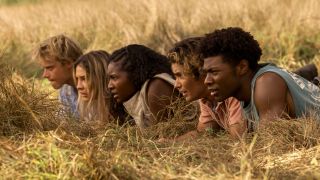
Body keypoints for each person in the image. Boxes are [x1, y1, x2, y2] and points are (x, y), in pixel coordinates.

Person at [200, 27, 320, 131]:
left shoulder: (267, 83)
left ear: (242, 67)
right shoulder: (245, 94)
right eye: (205, 74)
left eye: (214, 72)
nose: (207, 81)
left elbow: (273, 145)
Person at [168, 37, 245, 139]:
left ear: (201, 72)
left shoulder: (230, 91)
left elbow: (237, 137)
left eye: (180, 75)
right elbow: (203, 132)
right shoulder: (206, 98)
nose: (176, 84)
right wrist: (169, 143)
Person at [107, 44, 179, 129]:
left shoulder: (156, 88)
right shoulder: (138, 96)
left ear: (133, 74)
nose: (109, 86)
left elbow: (163, 138)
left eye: (114, 78)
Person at [33, 34, 83, 117]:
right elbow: (62, 122)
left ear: (68, 63)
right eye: (44, 69)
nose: (45, 75)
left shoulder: (97, 88)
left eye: (50, 68)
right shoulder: (65, 91)